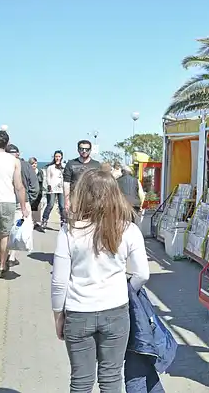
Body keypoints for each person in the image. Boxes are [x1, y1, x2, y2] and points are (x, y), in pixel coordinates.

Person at [50, 168, 150, 392]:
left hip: (78, 312)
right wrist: (127, 288)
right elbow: (142, 274)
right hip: (115, 309)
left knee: (81, 381)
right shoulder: (129, 230)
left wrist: (58, 314)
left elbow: (59, 281)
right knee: (112, 377)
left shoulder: (69, 231)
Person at [0, 131, 29, 288]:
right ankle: (1, 266)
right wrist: (23, 207)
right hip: (8, 201)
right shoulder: (14, 160)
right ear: (7, 143)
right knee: (4, 236)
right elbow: (19, 186)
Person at [5, 144, 38, 266]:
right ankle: (11, 257)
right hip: (22, 201)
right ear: (18, 154)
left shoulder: (3, 164)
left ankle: (4, 255)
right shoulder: (26, 166)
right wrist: (30, 200)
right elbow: (34, 186)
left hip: (6, 200)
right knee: (17, 228)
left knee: (5, 229)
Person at [63, 140, 101, 212]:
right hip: (75, 198)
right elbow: (66, 183)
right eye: (81, 149)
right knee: (74, 221)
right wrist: (66, 201)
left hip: (92, 199)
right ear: (78, 150)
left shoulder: (96, 165)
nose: (84, 151)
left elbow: (100, 184)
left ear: (90, 150)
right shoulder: (70, 164)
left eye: (87, 149)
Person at [42, 150, 66, 228]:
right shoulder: (50, 167)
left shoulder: (64, 166)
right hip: (52, 188)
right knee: (50, 204)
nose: (57, 158)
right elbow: (48, 177)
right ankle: (44, 220)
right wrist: (49, 185)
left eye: (59, 156)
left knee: (62, 206)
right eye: (56, 156)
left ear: (61, 157)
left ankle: (63, 221)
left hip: (61, 188)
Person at [28, 157, 45, 231]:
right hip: (30, 192)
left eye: (35, 163)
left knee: (37, 208)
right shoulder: (28, 172)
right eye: (32, 163)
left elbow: (42, 181)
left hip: (39, 192)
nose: (34, 165)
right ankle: (29, 222)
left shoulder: (40, 171)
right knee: (30, 208)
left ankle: (35, 223)